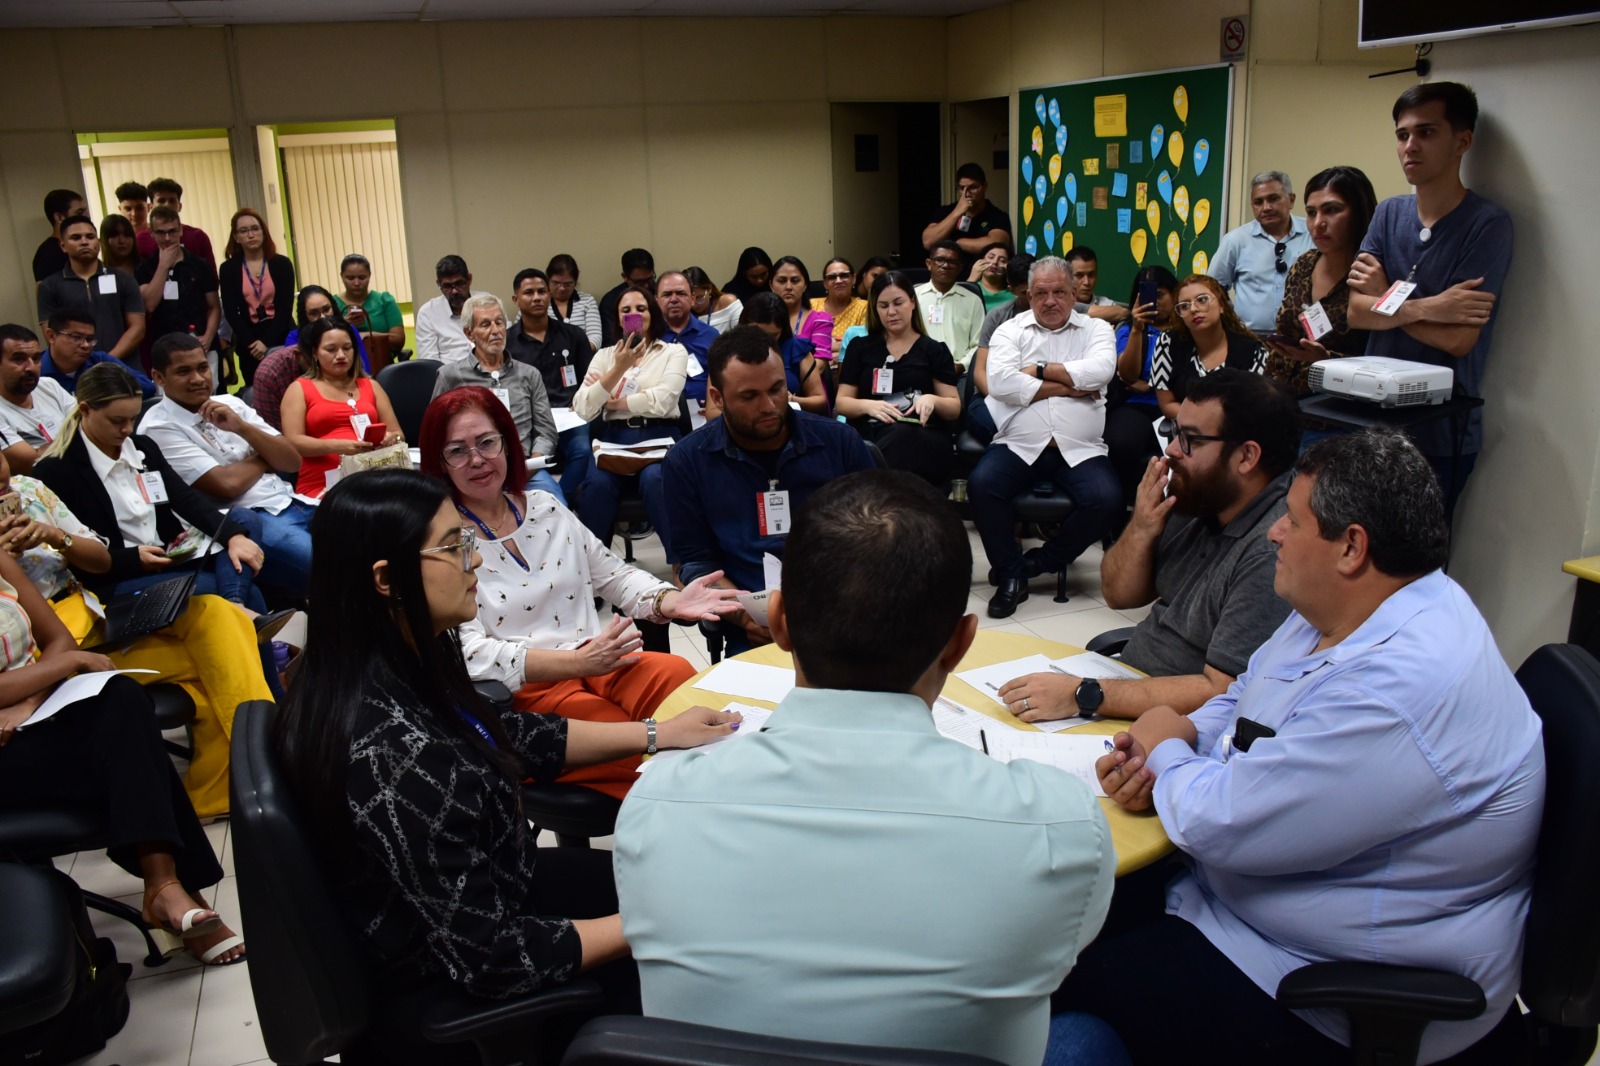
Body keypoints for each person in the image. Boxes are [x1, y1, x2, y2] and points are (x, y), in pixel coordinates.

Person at [1065, 429, 1545, 1066]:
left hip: (1319, 985)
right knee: (1067, 919)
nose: (1273, 534)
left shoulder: (1399, 689)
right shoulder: (1357, 606)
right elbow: (1245, 697)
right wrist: (1180, 737)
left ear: (1350, 547)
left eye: (1292, 521)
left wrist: (1164, 747)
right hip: (1251, 904)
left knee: (1062, 980)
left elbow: (1219, 824)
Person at [616, 470, 1118, 1066]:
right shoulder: (1060, 826)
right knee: (1089, 1037)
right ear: (960, 645)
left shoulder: (656, 806)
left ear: (778, 622)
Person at [272, 468, 739, 1058]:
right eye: (453, 546)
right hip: (453, 969)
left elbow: (503, 730)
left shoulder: (394, 655)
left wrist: (654, 732)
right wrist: (662, 923)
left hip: (493, 885)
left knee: (657, 883)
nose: (475, 561)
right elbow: (494, 958)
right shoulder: (394, 748)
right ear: (386, 580)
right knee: (683, 926)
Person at [417, 394, 741, 801]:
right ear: (438, 461)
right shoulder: (445, 539)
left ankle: (733, 791)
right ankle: (694, 817)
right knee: (638, 743)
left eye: (487, 442)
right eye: (456, 451)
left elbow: (612, 574)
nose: (477, 459)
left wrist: (668, 601)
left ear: (507, 442)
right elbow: (471, 653)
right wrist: (576, 662)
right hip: (527, 690)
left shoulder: (544, 506)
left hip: (596, 658)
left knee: (674, 674)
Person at [998, 369, 1300, 721]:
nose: (1172, 450)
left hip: (1175, 725)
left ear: (1247, 457)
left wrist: (1084, 694)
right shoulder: (1201, 495)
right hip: (1129, 685)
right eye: (1174, 431)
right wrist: (1141, 526)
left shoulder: (1274, 548)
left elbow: (1223, 691)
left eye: (1190, 439)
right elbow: (1119, 595)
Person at [2, 444, 275, 825]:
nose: (5, 489)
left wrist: (55, 536)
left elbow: (102, 559)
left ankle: (251, 774)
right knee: (220, 658)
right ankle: (265, 767)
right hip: (43, 653)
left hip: (93, 616)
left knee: (216, 613)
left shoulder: (30, 488)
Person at [0, 551, 243, 965]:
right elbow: (69, 656)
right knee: (131, 758)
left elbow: (57, 639)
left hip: (27, 713)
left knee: (121, 699)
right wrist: (69, 664)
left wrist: (29, 699)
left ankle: (163, 882)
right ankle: (176, 892)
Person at [1348, 82, 1513, 513]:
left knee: (1416, 568)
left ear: (1462, 141)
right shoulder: (1388, 213)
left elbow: (1459, 341)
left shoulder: (1486, 224)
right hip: (1374, 420)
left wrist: (1385, 299)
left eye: (1426, 133)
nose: (1410, 146)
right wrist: (1432, 307)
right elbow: (1355, 313)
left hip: (1439, 432)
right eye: (1402, 135)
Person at [663, 325, 873, 654]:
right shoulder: (686, 462)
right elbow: (695, 564)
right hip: (752, 624)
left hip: (842, 613)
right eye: (749, 396)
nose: (770, 405)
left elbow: (877, 539)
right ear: (717, 398)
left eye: (777, 389)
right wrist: (747, 618)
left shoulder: (839, 444)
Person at [32, 364, 273, 636]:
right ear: (85, 410)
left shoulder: (142, 446)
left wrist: (232, 537)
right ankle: (239, 605)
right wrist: (133, 560)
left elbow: (184, 499)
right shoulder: (55, 471)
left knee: (244, 520)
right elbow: (77, 556)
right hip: (117, 575)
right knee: (240, 591)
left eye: (133, 419)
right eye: (117, 420)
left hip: (168, 553)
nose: (127, 429)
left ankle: (235, 603)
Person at [974, 255, 1120, 618]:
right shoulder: (1010, 330)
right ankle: (1010, 576)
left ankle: (1037, 564)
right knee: (982, 484)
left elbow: (1100, 371)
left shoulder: (1096, 330)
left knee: (1107, 499)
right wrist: (1069, 388)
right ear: (1028, 294)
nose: (1049, 301)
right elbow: (1003, 383)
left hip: (1080, 448)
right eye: (1040, 293)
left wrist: (1038, 370)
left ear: (1074, 295)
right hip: (1019, 444)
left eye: (1058, 292)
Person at [141, 332, 311, 596]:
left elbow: (291, 461)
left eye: (201, 367)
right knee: (330, 567)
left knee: (369, 542)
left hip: (291, 500)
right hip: (248, 520)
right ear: (159, 378)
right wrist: (264, 457)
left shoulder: (230, 403)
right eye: (184, 371)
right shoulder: (157, 427)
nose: (198, 378)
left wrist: (241, 427)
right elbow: (227, 486)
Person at [572, 288, 687, 557]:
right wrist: (619, 367)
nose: (634, 314)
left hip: (659, 435)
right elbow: (584, 408)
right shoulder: (604, 356)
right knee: (597, 486)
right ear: (618, 318)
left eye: (641, 308)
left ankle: (684, 565)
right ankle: (595, 571)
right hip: (614, 438)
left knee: (654, 480)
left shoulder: (673, 352)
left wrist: (611, 402)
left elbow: (663, 401)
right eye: (626, 310)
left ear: (652, 314)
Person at [433, 294, 564, 502]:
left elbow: (546, 432)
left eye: (499, 322)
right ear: (469, 333)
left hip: (525, 472)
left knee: (557, 509)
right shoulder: (450, 376)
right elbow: (436, 433)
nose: (495, 331)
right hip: (474, 471)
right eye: (485, 325)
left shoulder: (529, 374)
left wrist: (531, 463)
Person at [835, 271, 961, 486]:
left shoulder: (933, 350)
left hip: (923, 434)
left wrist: (932, 400)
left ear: (912, 302)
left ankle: (873, 496)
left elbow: (953, 407)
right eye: (883, 306)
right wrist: (869, 406)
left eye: (898, 303)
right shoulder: (860, 347)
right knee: (888, 442)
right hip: (873, 431)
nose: (891, 312)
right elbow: (842, 402)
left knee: (905, 434)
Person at [279, 317, 404, 501]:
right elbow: (293, 443)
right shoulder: (299, 389)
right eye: (331, 349)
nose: (340, 355)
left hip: (373, 478)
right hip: (323, 485)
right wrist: (341, 447)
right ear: (315, 353)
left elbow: (398, 433)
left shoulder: (371, 385)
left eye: (347, 348)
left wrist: (391, 438)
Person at [506, 267, 595, 497]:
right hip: (529, 418)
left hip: (569, 412)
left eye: (541, 291)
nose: (536, 297)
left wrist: (582, 397)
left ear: (549, 295)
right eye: (529, 292)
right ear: (516, 299)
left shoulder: (574, 335)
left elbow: (590, 377)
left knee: (582, 451)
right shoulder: (507, 342)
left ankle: (558, 498)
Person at [1104, 266, 1180, 505]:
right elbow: (1127, 373)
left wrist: (1150, 385)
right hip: (1135, 405)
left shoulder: (1186, 331)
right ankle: (1118, 512)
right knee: (1121, 443)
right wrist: (1138, 328)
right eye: (1147, 295)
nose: (1154, 302)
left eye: (1160, 295)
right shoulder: (1128, 329)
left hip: (1176, 404)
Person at [1149, 275, 1269, 420]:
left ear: (1221, 305)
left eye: (1202, 300)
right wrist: (1200, 424)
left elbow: (1251, 409)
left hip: (1235, 432)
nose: (1193, 309)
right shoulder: (1168, 342)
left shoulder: (1253, 351)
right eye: (1184, 306)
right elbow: (1167, 404)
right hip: (1186, 427)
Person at [1209, 170, 1314, 333]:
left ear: (1291, 200)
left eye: (1273, 199)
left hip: (1302, 339)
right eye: (1258, 202)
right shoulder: (1236, 240)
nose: (1266, 207)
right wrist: (1232, 322)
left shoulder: (1313, 234)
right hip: (1251, 340)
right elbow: (1213, 287)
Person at [35, 214, 145, 365]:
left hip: (125, 369)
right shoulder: (49, 286)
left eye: (90, 236)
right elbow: (52, 336)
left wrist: (106, 361)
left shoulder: (124, 279)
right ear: (63, 246)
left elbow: (137, 328)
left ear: (99, 243)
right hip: (77, 373)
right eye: (76, 238)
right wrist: (88, 367)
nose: (84, 242)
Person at [135, 204, 221, 379]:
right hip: (165, 348)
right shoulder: (145, 267)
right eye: (161, 232)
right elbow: (149, 305)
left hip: (200, 342)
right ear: (151, 232)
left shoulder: (200, 265)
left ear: (181, 230)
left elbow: (214, 306)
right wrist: (164, 266)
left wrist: (209, 336)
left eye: (172, 231)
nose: (167, 238)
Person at [218, 208, 295, 385]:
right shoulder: (228, 269)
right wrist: (253, 343)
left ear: (263, 232)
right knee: (256, 391)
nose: (250, 235)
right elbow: (231, 312)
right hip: (248, 340)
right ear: (236, 237)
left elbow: (285, 308)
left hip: (281, 333)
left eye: (255, 229)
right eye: (243, 231)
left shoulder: (281, 264)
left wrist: (266, 342)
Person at [967, 252, 1036, 445]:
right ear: (1011, 289)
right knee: (1002, 429)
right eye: (1025, 293)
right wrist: (1005, 399)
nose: (1032, 297)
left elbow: (1094, 311)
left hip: (1033, 395)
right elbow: (979, 372)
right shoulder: (998, 316)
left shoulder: (1052, 310)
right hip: (991, 395)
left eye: (1036, 290)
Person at [736, 294, 829, 416]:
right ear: (744, 326)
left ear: (782, 330)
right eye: (757, 333)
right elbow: (713, 411)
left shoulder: (797, 349)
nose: (764, 341)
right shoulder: (729, 352)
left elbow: (819, 400)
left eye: (773, 336)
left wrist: (792, 400)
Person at [0, 324, 74, 474]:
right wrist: (74, 439)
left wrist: (43, 449)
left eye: (36, 358)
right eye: (19, 359)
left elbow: (92, 432)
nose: (31, 367)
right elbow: (33, 463)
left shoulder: (49, 386)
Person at [40, 306, 157, 398]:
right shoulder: (36, 371)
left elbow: (147, 387)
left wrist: (104, 383)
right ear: (51, 336)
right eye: (76, 337)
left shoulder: (99, 361)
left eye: (90, 339)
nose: (85, 345)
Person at [921, 162, 1014, 273]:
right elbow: (928, 241)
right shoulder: (945, 211)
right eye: (961, 188)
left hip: (981, 278)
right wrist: (957, 212)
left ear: (984, 187)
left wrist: (956, 242)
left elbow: (996, 244)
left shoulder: (997, 215)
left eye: (973, 187)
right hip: (948, 276)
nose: (967, 193)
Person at [654, 271, 719, 424]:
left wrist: (713, 408)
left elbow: (721, 380)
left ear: (692, 299)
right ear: (656, 301)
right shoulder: (649, 337)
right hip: (660, 419)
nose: (674, 299)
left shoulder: (711, 336)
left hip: (702, 416)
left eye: (681, 293)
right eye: (667, 294)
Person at [915, 239, 985, 368]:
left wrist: (962, 365)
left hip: (959, 372)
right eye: (940, 260)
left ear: (959, 268)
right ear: (929, 264)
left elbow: (979, 344)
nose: (945, 265)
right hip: (920, 368)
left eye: (952, 262)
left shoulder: (973, 300)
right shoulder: (913, 297)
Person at [414, 254, 484, 364]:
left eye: (459, 284)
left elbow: (505, 343)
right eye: (447, 286)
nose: (454, 291)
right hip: (451, 377)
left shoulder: (487, 304)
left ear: (469, 279)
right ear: (439, 284)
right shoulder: (427, 313)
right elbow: (429, 363)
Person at [283, 284, 370, 371]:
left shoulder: (349, 329)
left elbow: (364, 368)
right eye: (313, 313)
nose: (322, 317)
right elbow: (295, 374)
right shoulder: (294, 337)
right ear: (304, 316)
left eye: (326, 309)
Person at [333, 253, 406, 355]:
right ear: (341, 277)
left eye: (362, 278)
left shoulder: (385, 300)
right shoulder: (331, 304)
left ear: (369, 275)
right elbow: (325, 341)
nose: (357, 283)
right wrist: (344, 324)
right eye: (350, 278)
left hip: (380, 364)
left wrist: (368, 335)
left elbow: (398, 340)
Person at [135, 177, 216, 266]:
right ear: (150, 206)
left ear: (180, 206)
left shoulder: (198, 236)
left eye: (172, 200)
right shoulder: (140, 240)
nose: (167, 205)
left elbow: (211, 276)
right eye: (161, 200)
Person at [768, 256, 834, 362]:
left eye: (795, 281)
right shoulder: (761, 319)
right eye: (782, 281)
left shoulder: (820, 320)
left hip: (808, 377)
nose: (788, 287)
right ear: (771, 285)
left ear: (805, 285)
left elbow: (820, 365)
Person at [810, 256, 868, 359]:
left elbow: (862, 346)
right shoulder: (811, 305)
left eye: (844, 275)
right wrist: (841, 347)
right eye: (832, 277)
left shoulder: (864, 307)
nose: (838, 281)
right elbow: (804, 344)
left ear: (853, 279)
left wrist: (823, 348)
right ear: (825, 283)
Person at [598, 249, 657, 349]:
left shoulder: (660, 293)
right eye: (640, 282)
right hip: (628, 352)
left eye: (650, 279)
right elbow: (611, 341)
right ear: (625, 277)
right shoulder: (612, 301)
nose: (646, 286)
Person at [546, 253, 602, 351]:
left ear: (575, 283)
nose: (562, 288)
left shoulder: (587, 301)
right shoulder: (538, 302)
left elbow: (595, 337)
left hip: (582, 358)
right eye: (556, 283)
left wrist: (577, 354)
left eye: (567, 284)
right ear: (548, 280)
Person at [31, 189, 88, 283]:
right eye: (79, 213)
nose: (86, 217)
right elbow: (45, 294)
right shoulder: (48, 254)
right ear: (59, 217)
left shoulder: (82, 246)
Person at [1065, 246, 1130, 325]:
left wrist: (1078, 318)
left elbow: (1123, 313)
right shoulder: (1057, 304)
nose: (1087, 282)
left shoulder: (1106, 304)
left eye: (1091, 275)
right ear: (1067, 277)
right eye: (1079, 275)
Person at [684, 265, 742, 333]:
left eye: (699, 298)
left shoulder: (728, 302)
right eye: (689, 299)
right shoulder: (681, 311)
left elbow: (744, 335)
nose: (694, 305)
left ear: (709, 289)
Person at [970, 242, 1014, 312]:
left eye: (1002, 260)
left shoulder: (1014, 295)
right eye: (991, 257)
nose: (995, 262)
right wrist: (971, 280)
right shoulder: (969, 288)